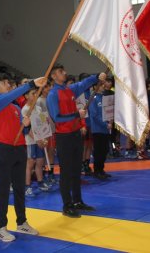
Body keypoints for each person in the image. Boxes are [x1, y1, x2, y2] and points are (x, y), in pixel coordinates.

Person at [0, 73, 45, 242]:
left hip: (19, 148)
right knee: (4, 189)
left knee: (20, 188)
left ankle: (21, 222)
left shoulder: (15, 108)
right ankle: (1, 227)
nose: (8, 85)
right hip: (4, 148)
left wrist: (26, 125)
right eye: (5, 82)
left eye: (9, 82)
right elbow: (11, 95)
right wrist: (30, 84)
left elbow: (24, 131)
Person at [47, 64, 98, 218]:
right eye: (61, 72)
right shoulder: (52, 95)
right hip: (64, 137)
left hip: (75, 134)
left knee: (76, 169)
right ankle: (67, 205)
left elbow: (83, 84)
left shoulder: (69, 90)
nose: (65, 73)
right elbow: (56, 117)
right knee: (66, 172)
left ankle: (77, 200)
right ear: (54, 76)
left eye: (64, 70)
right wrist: (77, 115)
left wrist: (97, 77)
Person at [21, 89, 51, 196]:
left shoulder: (38, 108)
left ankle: (40, 182)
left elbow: (43, 124)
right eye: (33, 93)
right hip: (31, 140)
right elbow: (27, 129)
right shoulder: (25, 110)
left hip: (40, 139)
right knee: (30, 163)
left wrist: (44, 137)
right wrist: (38, 139)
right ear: (26, 96)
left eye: (36, 93)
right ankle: (27, 187)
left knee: (40, 162)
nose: (35, 95)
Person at [88, 80, 112, 180]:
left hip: (105, 128)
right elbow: (94, 115)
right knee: (99, 151)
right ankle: (97, 170)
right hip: (98, 129)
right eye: (101, 85)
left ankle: (101, 169)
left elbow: (108, 112)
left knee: (105, 149)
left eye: (103, 85)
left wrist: (110, 121)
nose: (103, 86)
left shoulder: (103, 98)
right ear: (95, 87)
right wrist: (105, 124)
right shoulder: (93, 98)